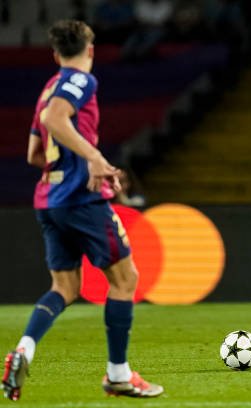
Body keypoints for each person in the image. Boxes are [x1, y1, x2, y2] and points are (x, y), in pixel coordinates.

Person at [1, 20, 163, 401]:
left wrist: (72, 163)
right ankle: (118, 374)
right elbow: (54, 119)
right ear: (90, 50)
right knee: (125, 280)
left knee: (64, 287)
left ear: (55, 54)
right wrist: (93, 158)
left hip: (50, 200)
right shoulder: (80, 80)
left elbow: (34, 154)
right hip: (81, 200)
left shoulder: (47, 88)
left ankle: (25, 349)